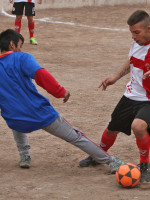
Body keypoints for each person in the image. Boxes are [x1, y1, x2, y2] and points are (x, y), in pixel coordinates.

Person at [0, 29, 125, 172]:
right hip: (39, 113)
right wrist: (60, 92)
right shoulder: (22, 58)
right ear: (11, 44)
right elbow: (41, 75)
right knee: (75, 136)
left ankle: (24, 155)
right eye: (20, 46)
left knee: (14, 116)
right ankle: (111, 161)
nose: (20, 49)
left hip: (15, 118)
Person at [79, 10, 150, 183]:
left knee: (138, 126)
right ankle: (98, 155)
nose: (133, 37)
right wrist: (115, 77)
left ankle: (145, 166)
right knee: (112, 128)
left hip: (148, 99)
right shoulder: (137, 43)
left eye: (136, 32)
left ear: (149, 28)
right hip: (131, 95)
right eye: (132, 33)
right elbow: (131, 61)